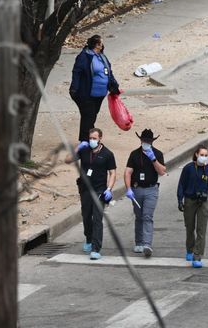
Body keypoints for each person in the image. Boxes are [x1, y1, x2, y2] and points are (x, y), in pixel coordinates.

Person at [64, 128, 117, 260]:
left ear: (100, 139)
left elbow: (112, 173)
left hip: (99, 190)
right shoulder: (84, 150)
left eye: (94, 138)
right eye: (90, 138)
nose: (92, 140)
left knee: (97, 219)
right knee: (86, 216)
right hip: (85, 189)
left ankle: (96, 248)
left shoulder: (107, 154)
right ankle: (88, 238)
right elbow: (67, 160)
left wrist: (109, 189)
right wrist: (78, 147)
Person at [69, 34, 120, 142]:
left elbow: (108, 72)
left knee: (91, 116)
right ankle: (85, 141)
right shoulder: (84, 56)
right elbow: (76, 72)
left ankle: (89, 138)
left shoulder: (101, 56)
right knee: (88, 116)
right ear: (97, 45)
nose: (103, 45)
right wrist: (74, 89)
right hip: (87, 94)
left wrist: (115, 85)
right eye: (101, 43)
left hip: (100, 94)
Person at [124, 128, 166, 257]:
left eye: (148, 141)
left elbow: (162, 171)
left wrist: (153, 159)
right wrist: (128, 188)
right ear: (141, 140)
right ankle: (139, 242)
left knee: (147, 216)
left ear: (152, 142)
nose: (146, 143)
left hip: (151, 189)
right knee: (139, 216)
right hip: (137, 189)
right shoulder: (134, 154)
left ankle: (147, 244)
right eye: (144, 141)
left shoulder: (157, 154)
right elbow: (128, 172)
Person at [177, 145, 208, 268]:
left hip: (203, 200)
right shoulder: (188, 168)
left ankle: (197, 255)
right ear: (196, 154)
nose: (204, 157)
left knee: (201, 230)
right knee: (190, 227)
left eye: (206, 155)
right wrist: (180, 199)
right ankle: (190, 248)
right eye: (202, 155)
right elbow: (181, 184)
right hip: (190, 199)